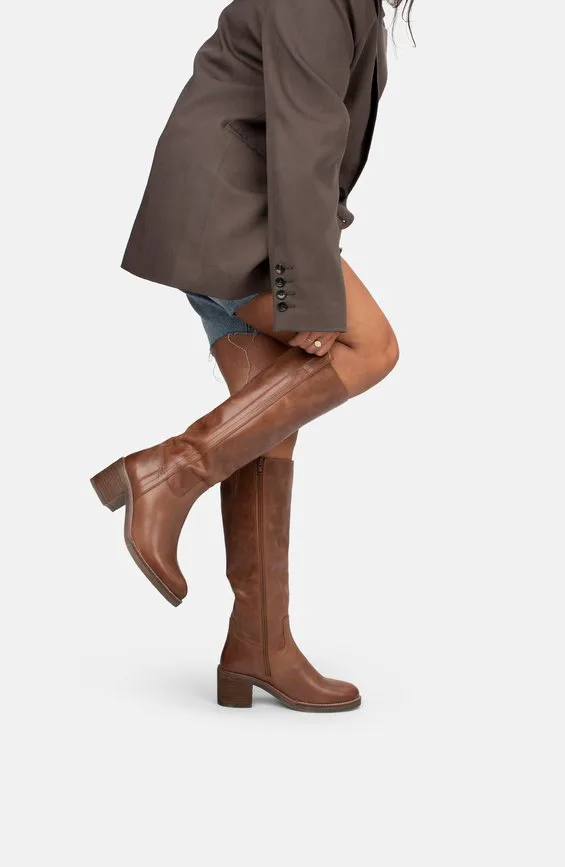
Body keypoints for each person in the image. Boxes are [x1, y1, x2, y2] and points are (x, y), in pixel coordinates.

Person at [92, 0, 409, 713]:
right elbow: (304, 137)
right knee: (372, 345)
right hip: (231, 212)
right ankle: (168, 472)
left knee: (271, 424)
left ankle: (257, 645)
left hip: (234, 205)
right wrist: (309, 291)